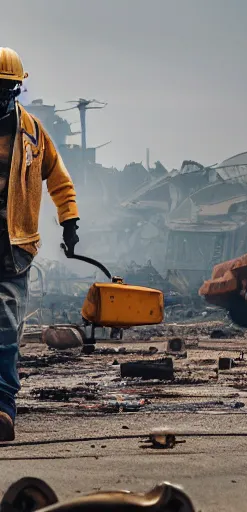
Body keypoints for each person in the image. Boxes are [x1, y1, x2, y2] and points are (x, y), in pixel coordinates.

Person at [0, 48, 80, 441]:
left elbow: (59, 179)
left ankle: (3, 408)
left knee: (4, 325)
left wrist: (70, 220)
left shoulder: (32, 133)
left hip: (13, 247)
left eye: (5, 89)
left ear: (17, 89)